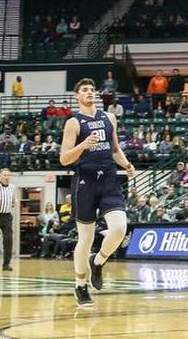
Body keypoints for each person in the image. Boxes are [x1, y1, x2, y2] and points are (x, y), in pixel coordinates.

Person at [59, 78, 136, 307]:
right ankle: (80, 286)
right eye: (84, 90)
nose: (90, 92)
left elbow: (114, 150)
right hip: (85, 181)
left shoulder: (109, 117)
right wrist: (83, 145)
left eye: (92, 90)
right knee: (86, 237)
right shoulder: (74, 123)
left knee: (120, 228)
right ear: (76, 96)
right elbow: (64, 159)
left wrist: (127, 164)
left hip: (109, 180)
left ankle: (99, 260)